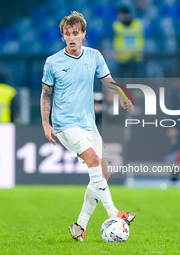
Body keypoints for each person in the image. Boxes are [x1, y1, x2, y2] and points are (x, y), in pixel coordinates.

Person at [40, 11, 136, 242]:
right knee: (93, 160)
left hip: (88, 124)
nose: (72, 37)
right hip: (65, 125)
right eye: (67, 34)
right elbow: (45, 94)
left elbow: (109, 82)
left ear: (84, 34)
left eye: (76, 33)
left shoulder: (94, 56)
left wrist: (122, 95)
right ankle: (115, 214)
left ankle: (80, 226)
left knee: (104, 172)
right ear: (62, 37)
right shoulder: (53, 62)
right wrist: (46, 123)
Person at [112, 6, 144, 78]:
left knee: (136, 78)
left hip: (135, 56)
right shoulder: (117, 25)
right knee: (122, 79)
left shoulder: (137, 24)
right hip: (122, 57)